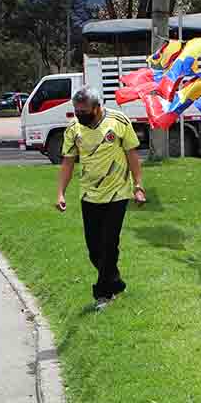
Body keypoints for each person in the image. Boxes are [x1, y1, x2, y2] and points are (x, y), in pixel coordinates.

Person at [55, 87, 147, 308]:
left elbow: (132, 154)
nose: (80, 114)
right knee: (94, 248)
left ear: (97, 107)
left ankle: (102, 294)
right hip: (89, 195)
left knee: (109, 243)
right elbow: (68, 162)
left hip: (117, 193)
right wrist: (60, 192)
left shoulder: (119, 121)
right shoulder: (73, 129)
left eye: (84, 111)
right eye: (77, 111)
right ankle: (115, 283)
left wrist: (138, 185)